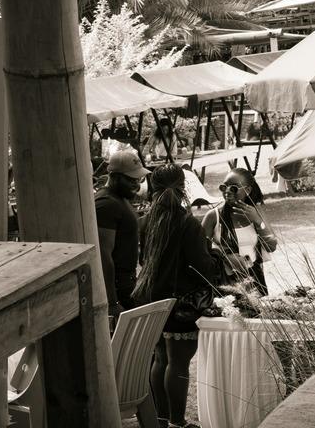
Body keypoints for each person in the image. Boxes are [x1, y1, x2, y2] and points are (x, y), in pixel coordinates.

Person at [134, 164, 244, 428]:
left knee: (161, 359)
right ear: (183, 187)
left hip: (151, 299)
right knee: (179, 363)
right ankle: (177, 422)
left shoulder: (147, 221)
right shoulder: (186, 223)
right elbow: (201, 267)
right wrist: (218, 256)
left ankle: (162, 420)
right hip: (181, 303)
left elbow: (143, 260)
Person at [202, 167, 277, 295]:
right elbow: (200, 251)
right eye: (223, 187)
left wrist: (257, 221)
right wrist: (224, 256)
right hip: (225, 281)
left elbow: (271, 246)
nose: (227, 191)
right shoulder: (213, 216)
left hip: (255, 279)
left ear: (247, 190)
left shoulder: (256, 212)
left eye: (234, 188)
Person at [95, 151, 150, 318]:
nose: (136, 184)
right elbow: (103, 256)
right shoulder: (106, 204)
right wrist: (112, 302)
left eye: (139, 179)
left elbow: (125, 231)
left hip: (128, 282)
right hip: (117, 289)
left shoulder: (119, 198)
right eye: (131, 179)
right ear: (114, 176)